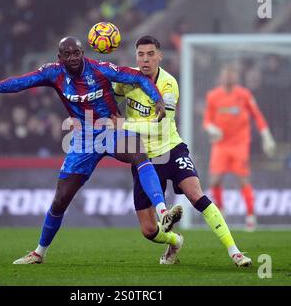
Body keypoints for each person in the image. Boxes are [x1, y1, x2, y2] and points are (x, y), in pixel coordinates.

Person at [0, 36, 182, 264]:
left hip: (110, 128)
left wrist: (156, 98)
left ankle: (162, 212)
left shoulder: (100, 69)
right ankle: (39, 252)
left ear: (82, 53)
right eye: (68, 55)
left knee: (140, 155)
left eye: (77, 53)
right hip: (83, 140)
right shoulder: (53, 73)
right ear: (60, 58)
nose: (73, 58)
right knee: (60, 200)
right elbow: (22, 81)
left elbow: (137, 77)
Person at [113, 36, 252, 267]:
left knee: (195, 193)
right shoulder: (126, 80)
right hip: (143, 158)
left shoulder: (168, 83)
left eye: (150, 54)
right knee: (148, 230)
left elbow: (161, 123)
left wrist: (122, 125)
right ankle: (174, 240)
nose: (145, 59)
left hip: (171, 148)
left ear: (160, 56)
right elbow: (107, 99)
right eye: (141, 54)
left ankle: (235, 252)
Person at [203, 65, 276, 232]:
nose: (228, 77)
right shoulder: (213, 96)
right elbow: (207, 120)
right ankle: (221, 209)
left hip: (239, 144)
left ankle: (251, 216)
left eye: (231, 74)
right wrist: (210, 128)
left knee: (243, 179)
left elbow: (257, 115)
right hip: (220, 145)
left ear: (236, 77)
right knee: (214, 180)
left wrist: (266, 135)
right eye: (225, 74)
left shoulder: (244, 95)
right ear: (220, 77)